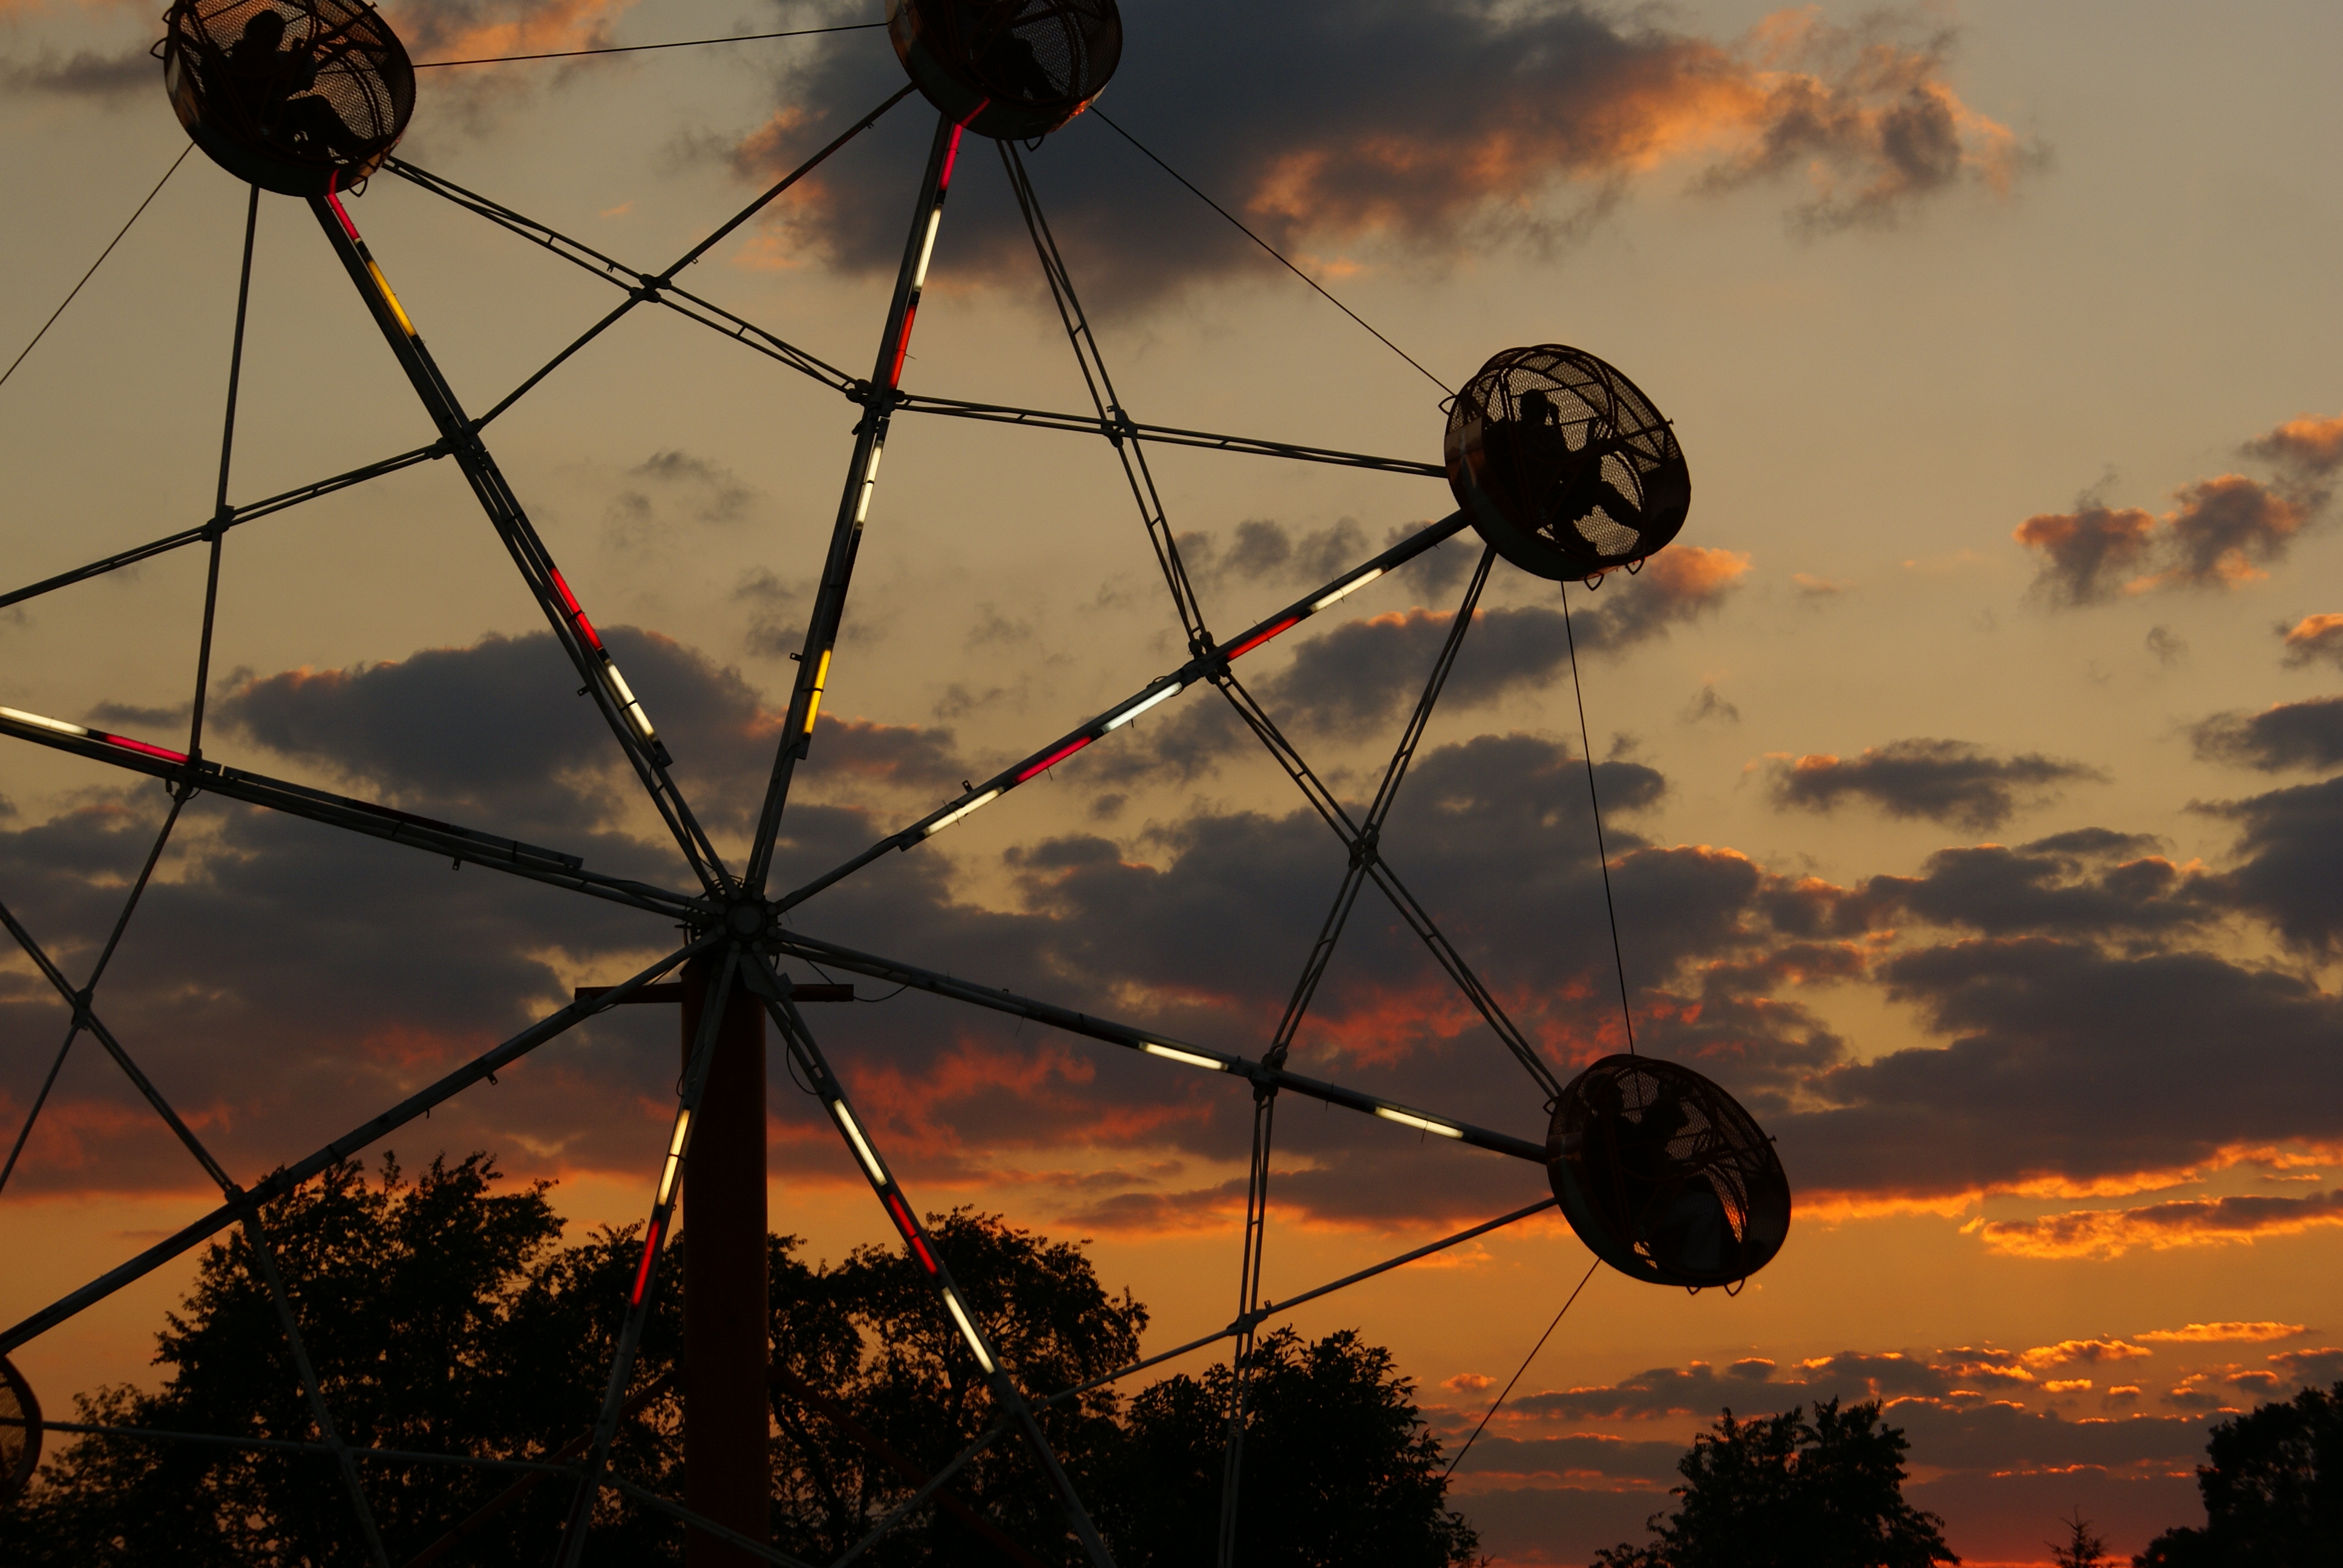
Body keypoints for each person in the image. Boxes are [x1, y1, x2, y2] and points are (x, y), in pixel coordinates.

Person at [220, 8, 360, 163]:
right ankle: (350, 146)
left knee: (315, 111)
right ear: (258, 31)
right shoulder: (245, 52)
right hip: (255, 121)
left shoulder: (273, 57)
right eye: (274, 32)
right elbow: (273, 80)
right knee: (314, 106)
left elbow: (300, 68)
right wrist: (298, 58)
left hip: (272, 116)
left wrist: (303, 61)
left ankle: (342, 148)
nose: (277, 38)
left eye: (280, 33)